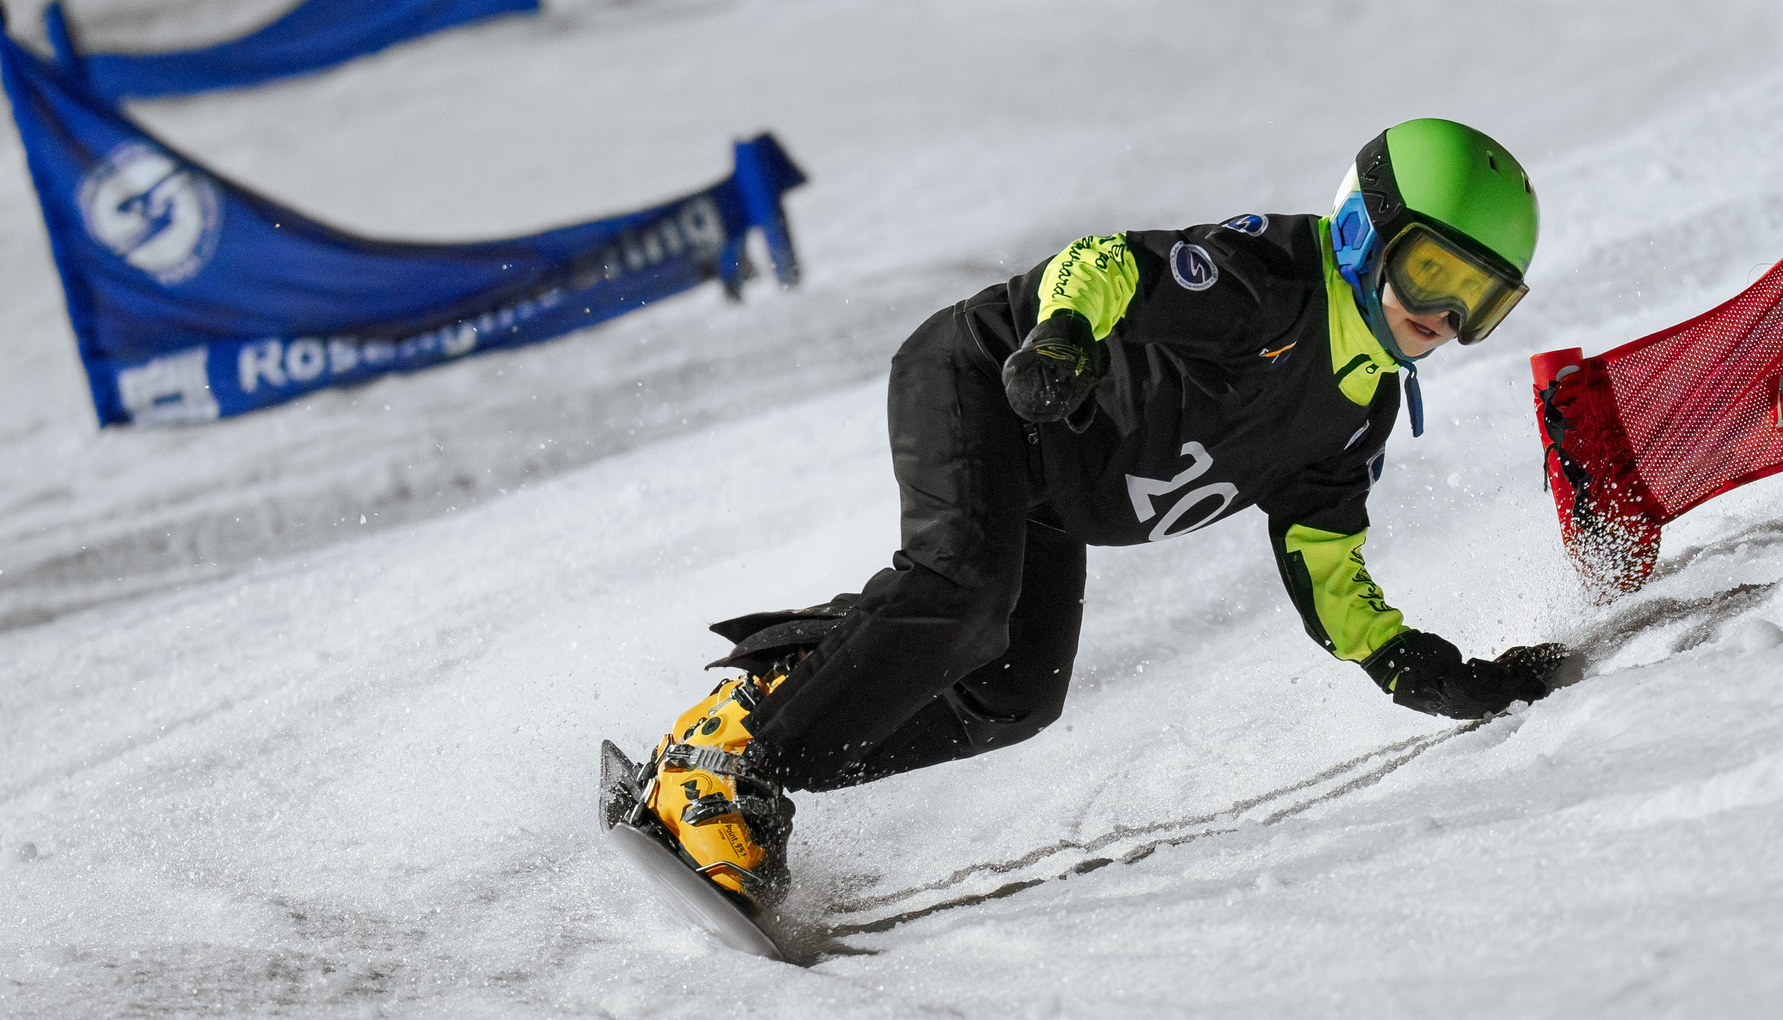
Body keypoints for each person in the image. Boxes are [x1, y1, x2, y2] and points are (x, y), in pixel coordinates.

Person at [625, 118, 1563, 917]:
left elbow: (1324, 553)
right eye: (1433, 269)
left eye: (1480, 298)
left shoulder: (1361, 404)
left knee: (1014, 694)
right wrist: (1062, 333)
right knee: (963, 591)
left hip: (1052, 491)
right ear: (1365, 230)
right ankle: (726, 762)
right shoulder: (1272, 283)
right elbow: (1108, 263)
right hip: (990, 379)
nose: (1445, 312)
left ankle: (771, 735)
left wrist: (1409, 664)